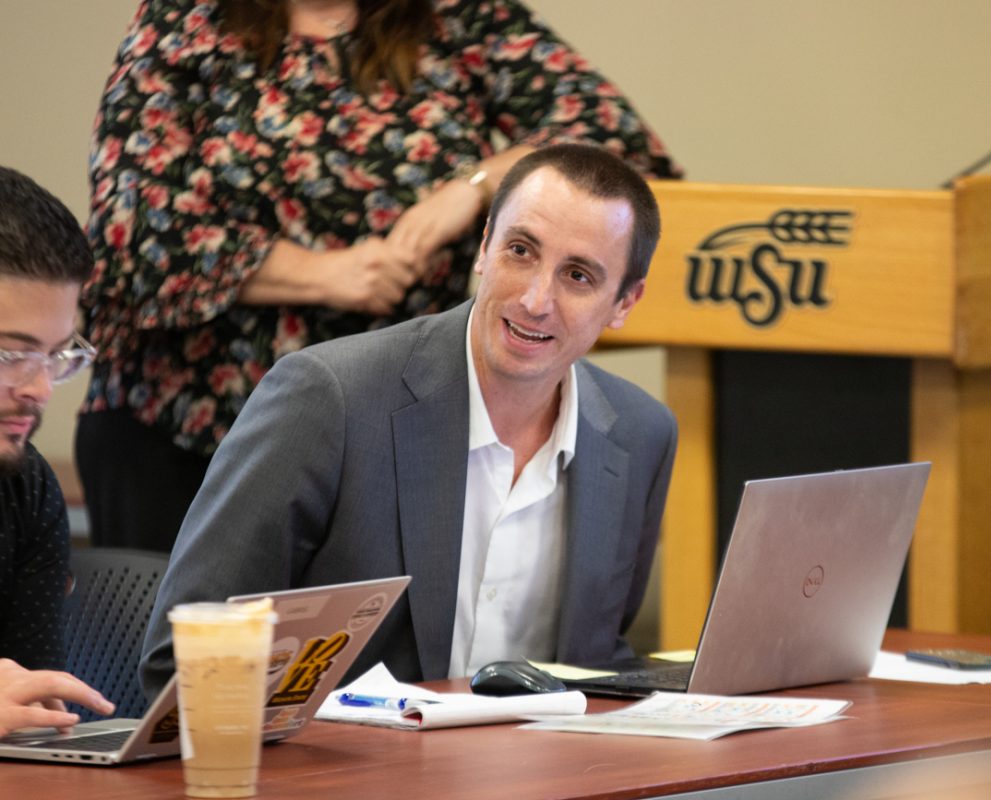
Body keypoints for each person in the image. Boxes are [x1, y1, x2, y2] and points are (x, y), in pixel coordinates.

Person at [78, 0, 682, 554]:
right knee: (190, 660)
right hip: (181, 428)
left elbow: (619, 151)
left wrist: (473, 189)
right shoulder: (189, 19)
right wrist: (326, 275)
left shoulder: (456, 17)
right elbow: (129, 228)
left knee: (376, 663)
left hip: (393, 430)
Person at [140, 143, 676, 697]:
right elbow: (183, 659)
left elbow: (595, 665)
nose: (536, 299)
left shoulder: (639, 434)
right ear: (485, 245)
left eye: (579, 276)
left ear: (624, 302)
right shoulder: (331, 399)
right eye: (520, 250)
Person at [0, 166, 116, 736]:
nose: (39, 389)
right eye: (9, 356)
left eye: (56, 356)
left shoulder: (24, 484)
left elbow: (35, 717)